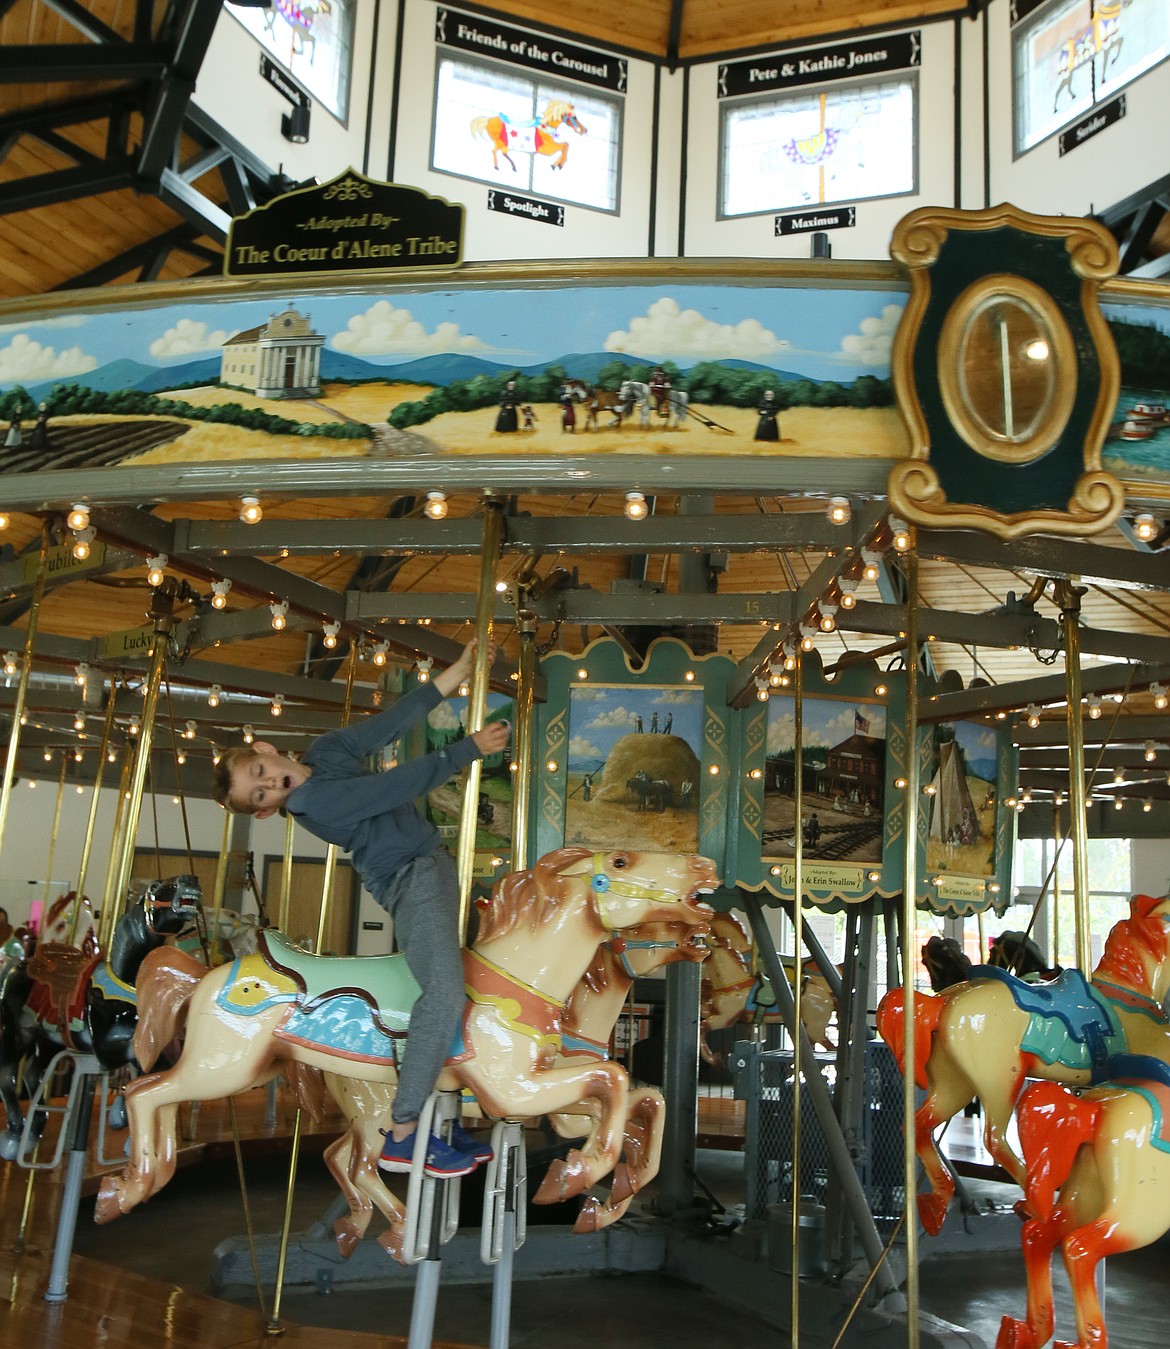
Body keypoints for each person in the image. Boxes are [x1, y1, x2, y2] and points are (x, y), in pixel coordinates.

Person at [213, 638, 510, 1179]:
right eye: (258, 796)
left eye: (258, 772)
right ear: (266, 813)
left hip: (433, 868)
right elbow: (390, 786)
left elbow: (393, 722)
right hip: (409, 880)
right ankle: (401, 1132)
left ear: (268, 749)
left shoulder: (326, 754)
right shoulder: (311, 801)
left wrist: (459, 671)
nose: (266, 785)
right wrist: (465, 750)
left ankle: (446, 1106)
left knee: (468, 984)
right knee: (443, 991)